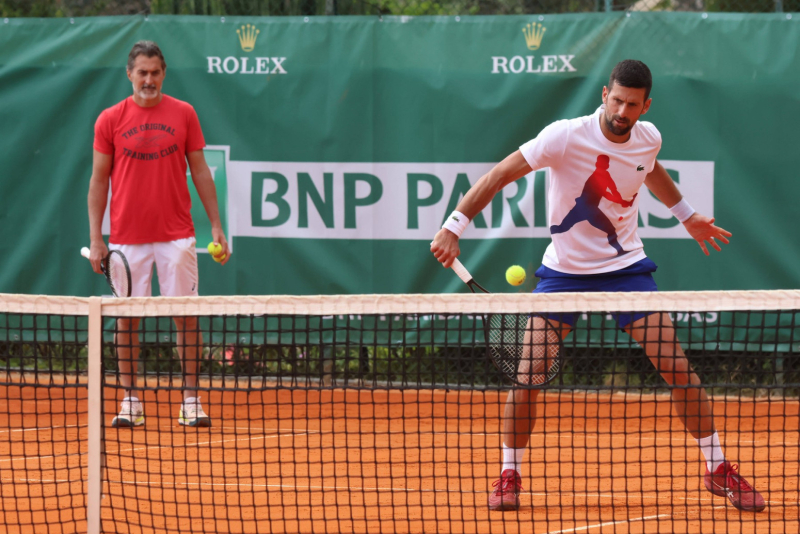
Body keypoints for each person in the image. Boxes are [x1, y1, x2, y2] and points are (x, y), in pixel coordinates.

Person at [430, 60, 765, 513]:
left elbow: (650, 169)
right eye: (617, 100)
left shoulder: (648, 137)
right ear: (605, 95)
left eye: (633, 105)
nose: (622, 111)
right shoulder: (564, 136)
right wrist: (453, 226)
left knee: (676, 367)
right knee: (529, 375)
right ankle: (509, 472)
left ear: (646, 106)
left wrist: (687, 216)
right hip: (564, 273)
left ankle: (717, 467)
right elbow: (499, 175)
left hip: (625, 269)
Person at [87, 41, 230, 428]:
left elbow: (200, 171)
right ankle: (130, 401)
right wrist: (97, 239)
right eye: (142, 72)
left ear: (164, 74)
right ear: (129, 74)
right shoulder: (109, 119)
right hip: (126, 238)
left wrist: (216, 225)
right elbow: (99, 180)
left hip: (177, 236)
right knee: (126, 321)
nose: (148, 79)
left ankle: (191, 401)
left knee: (186, 318)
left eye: (155, 72)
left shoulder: (185, 113)